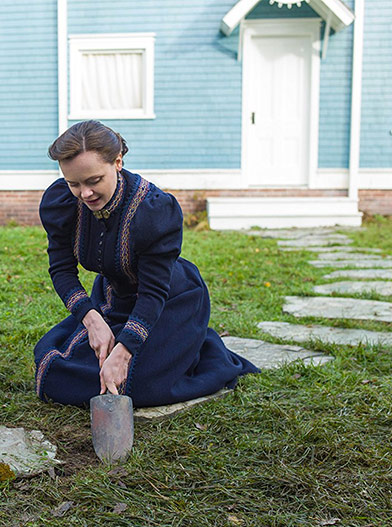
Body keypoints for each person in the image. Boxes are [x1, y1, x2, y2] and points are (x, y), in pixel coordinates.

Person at [34, 120, 259, 408]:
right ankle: (182, 345)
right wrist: (92, 321)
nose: (84, 193)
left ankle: (195, 340)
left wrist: (123, 351)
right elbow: (61, 270)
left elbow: (153, 293)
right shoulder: (61, 202)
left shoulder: (154, 210)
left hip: (169, 300)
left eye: (94, 180)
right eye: (73, 183)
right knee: (55, 373)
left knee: (137, 384)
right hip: (113, 298)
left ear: (118, 162)